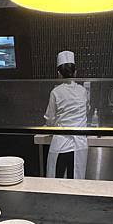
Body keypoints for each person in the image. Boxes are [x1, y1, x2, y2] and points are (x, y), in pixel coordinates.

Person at [44, 50, 88, 179]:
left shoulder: (56, 92)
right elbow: (86, 110)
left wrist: (50, 125)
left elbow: (50, 119)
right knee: (76, 183)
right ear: (75, 72)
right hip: (80, 144)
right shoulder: (83, 90)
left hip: (61, 144)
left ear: (59, 73)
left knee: (58, 182)